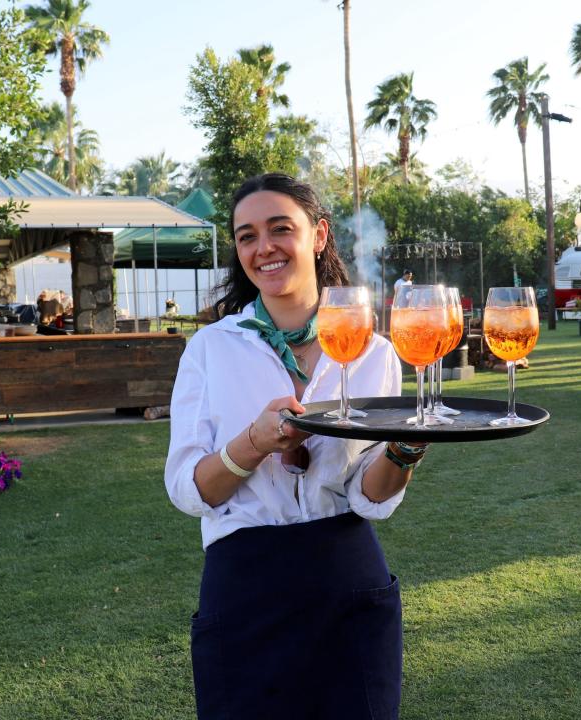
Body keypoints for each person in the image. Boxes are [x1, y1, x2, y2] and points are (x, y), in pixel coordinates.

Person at [165, 173, 425, 719]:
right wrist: (254, 443)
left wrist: (405, 449)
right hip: (245, 583)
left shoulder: (374, 351)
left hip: (348, 578)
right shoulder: (211, 349)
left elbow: (368, 497)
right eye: (246, 236)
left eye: (280, 228)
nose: (264, 248)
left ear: (319, 235)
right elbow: (190, 491)